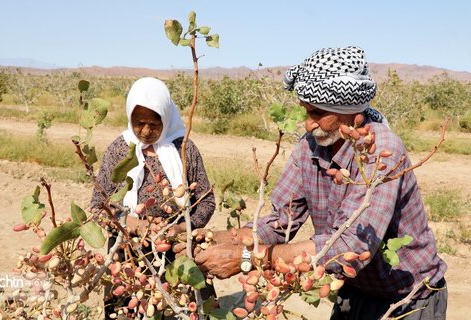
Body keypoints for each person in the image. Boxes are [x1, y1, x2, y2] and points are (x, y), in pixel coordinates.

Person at [191, 46, 447, 319]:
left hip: (409, 301)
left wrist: (250, 259)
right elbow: (281, 219)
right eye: (306, 112)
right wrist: (216, 239)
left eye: (317, 114)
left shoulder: (380, 151)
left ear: (350, 112)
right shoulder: (308, 147)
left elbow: (352, 245)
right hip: (355, 292)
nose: (308, 125)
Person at [90, 77, 216, 318]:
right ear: (129, 117)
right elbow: (98, 205)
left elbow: (206, 200)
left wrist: (180, 229)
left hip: (177, 251)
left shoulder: (184, 149)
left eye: (153, 124)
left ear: (166, 118)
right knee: (125, 309)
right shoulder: (119, 149)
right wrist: (131, 224)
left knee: (180, 310)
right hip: (126, 253)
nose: (145, 132)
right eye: (138, 123)